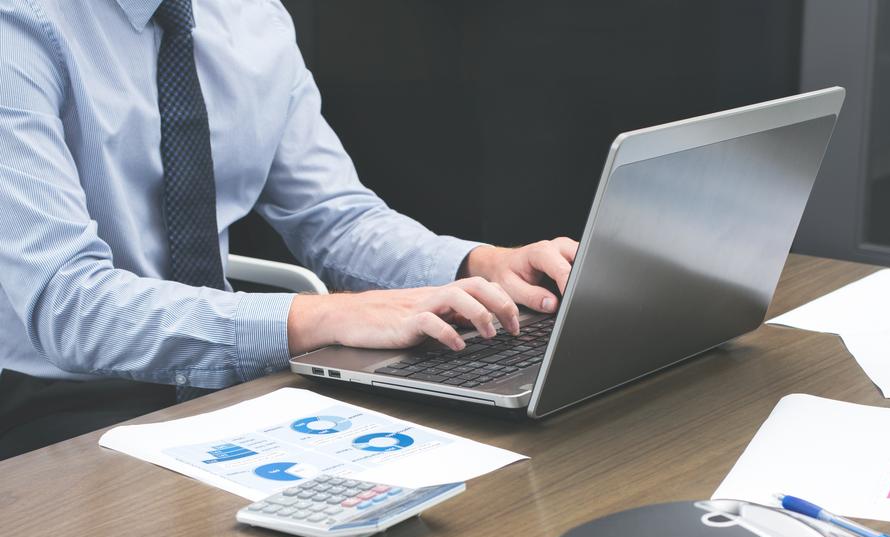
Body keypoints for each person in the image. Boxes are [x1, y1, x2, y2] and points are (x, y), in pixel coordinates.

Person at [0, 0, 578, 458]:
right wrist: (320, 316)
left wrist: (477, 263)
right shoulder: (21, 26)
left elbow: (336, 218)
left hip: (232, 381)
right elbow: (67, 303)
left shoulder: (254, 17)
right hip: (65, 402)